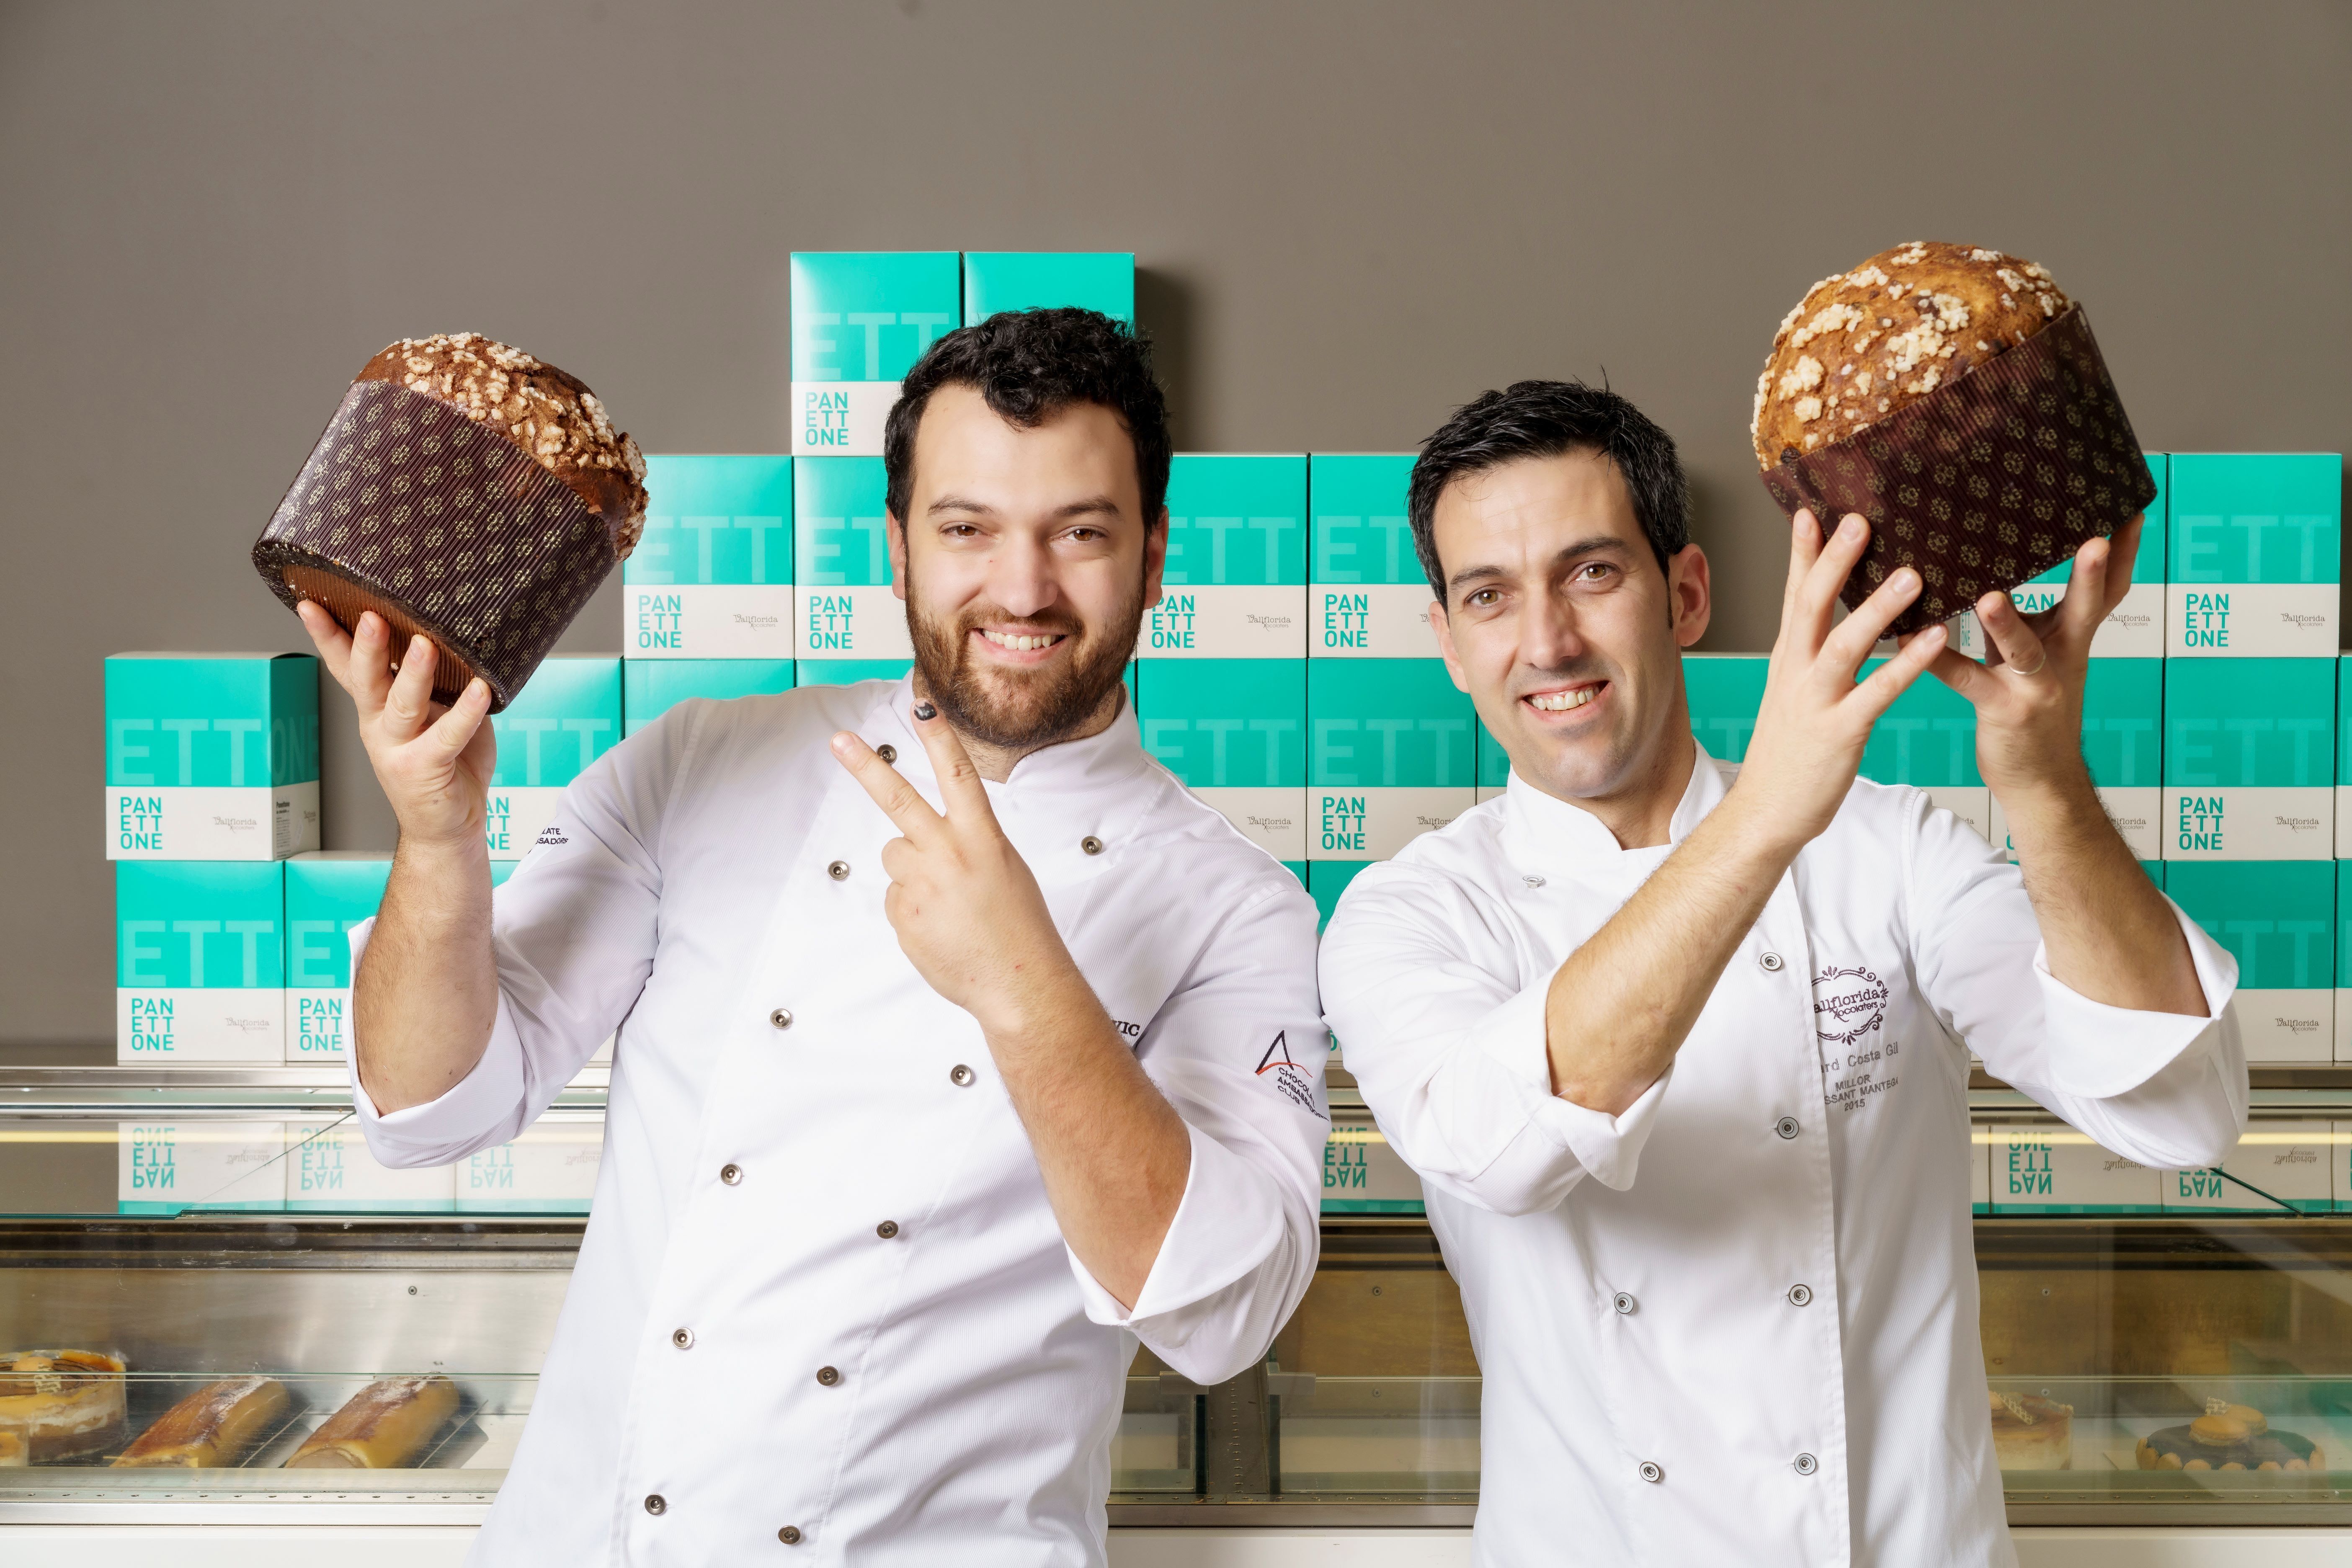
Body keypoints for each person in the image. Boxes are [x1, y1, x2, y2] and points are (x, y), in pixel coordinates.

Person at [299, 308, 1329, 1564]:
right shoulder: (702, 762)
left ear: (1157, 554)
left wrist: (1026, 990)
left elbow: (1223, 1320)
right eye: (967, 530)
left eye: (1082, 533)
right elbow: (429, 1113)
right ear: (895, 544)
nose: (1022, 588)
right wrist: (438, 840)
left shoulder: (1236, 905)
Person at [1318, 379, 2246, 1566]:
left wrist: (2042, 777)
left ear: (1687, 595)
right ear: (1447, 643)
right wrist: (1762, 818)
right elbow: (1499, 1148)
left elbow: (2183, 1110)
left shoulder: (1891, 852)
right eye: (1489, 597)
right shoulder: (1412, 915)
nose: (1545, 641)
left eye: (1593, 573)